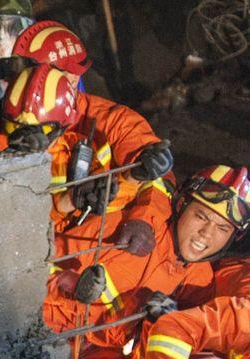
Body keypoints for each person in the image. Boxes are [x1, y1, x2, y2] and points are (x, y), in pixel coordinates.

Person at [51, 164, 250, 359]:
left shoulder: (198, 281)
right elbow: (42, 254)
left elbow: (169, 351)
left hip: (99, 352)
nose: (206, 234)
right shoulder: (135, 227)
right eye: (201, 216)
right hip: (46, 331)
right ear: (182, 206)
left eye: (222, 228)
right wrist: (66, 286)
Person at [13, 25, 174, 259]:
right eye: (27, 73)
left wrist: (143, 218)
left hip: (96, 247)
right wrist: (63, 204)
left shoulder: (112, 121)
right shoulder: (5, 127)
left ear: (74, 76)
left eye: (45, 75)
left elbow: (158, 178)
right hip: (34, 255)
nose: (35, 84)